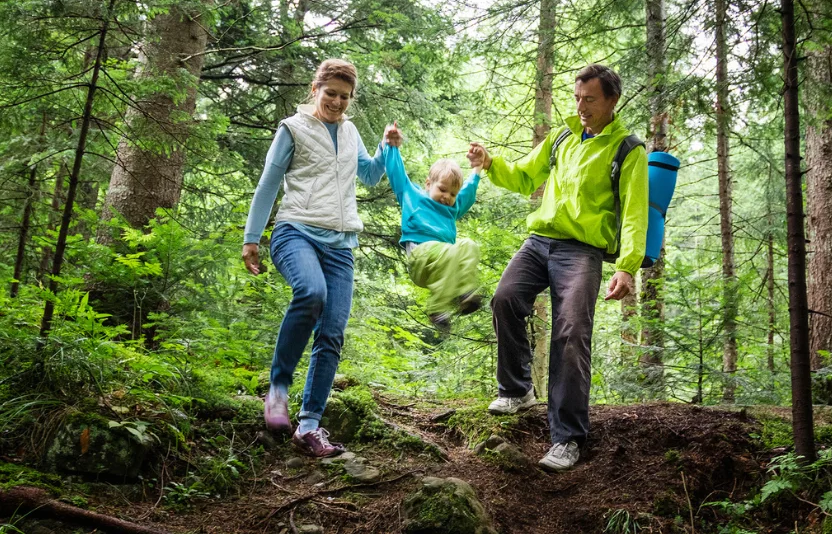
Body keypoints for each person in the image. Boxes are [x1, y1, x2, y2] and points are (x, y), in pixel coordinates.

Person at [467, 64, 648, 472]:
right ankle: (517, 390)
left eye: (590, 100)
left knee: (570, 333)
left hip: (582, 251)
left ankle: (567, 438)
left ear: (612, 101)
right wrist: (491, 162)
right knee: (505, 298)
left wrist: (627, 266)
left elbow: (635, 214)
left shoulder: (628, 149)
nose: (581, 107)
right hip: (540, 241)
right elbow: (525, 176)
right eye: (578, 98)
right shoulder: (562, 136)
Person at [242, 58, 402, 457]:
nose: (337, 102)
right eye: (330, 93)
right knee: (311, 293)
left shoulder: (349, 132)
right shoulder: (292, 129)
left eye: (345, 97)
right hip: (294, 231)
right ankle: (277, 390)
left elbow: (367, 174)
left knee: (331, 332)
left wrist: (385, 146)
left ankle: (309, 427)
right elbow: (268, 184)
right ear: (315, 90)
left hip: (341, 243)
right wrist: (251, 238)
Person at [384, 136, 482, 332]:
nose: (447, 197)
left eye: (453, 194)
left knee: (469, 245)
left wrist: (477, 168)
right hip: (420, 258)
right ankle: (437, 308)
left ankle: (466, 293)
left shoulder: (452, 208)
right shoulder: (413, 196)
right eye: (442, 189)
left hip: (443, 261)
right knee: (452, 251)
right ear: (428, 184)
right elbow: (397, 175)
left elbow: (468, 192)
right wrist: (392, 147)